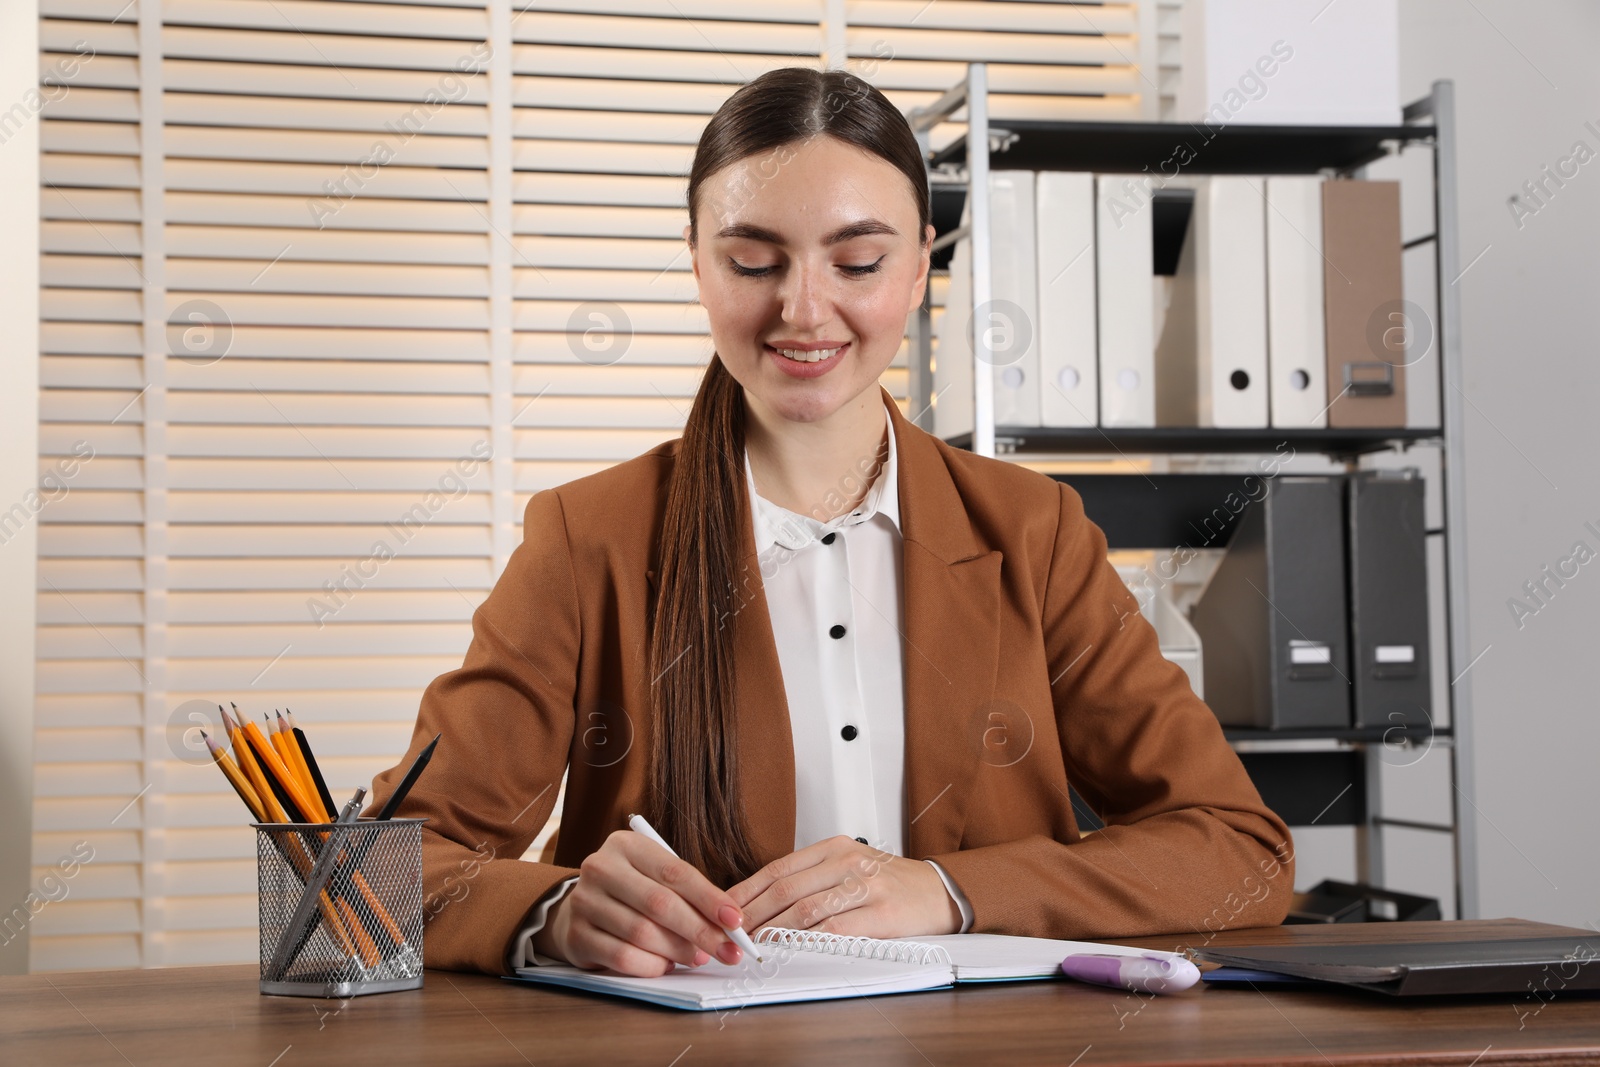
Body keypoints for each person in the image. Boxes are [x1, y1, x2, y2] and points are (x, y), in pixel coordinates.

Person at [368, 66, 1294, 979]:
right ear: (696, 262)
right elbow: (383, 866)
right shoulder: (590, 538)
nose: (804, 310)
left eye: (857, 262)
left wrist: (948, 890)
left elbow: (1237, 848)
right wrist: (551, 909)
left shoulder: (1033, 531)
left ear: (922, 265)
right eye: (752, 262)